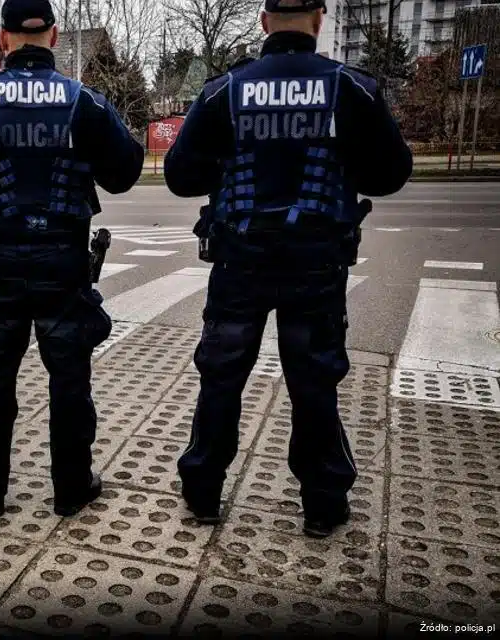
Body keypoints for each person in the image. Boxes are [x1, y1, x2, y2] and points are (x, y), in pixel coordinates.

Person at [164, 0, 412, 538]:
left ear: (264, 20)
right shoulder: (353, 88)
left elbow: (180, 177)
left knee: (222, 376)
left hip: (239, 260)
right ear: (319, 18)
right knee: (314, 380)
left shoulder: (224, 91)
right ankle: (323, 504)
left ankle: (203, 490)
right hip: (316, 263)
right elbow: (392, 173)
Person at [0, 0, 144, 518]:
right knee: (70, 380)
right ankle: (72, 487)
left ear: (3, 39)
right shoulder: (85, 102)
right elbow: (125, 173)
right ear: (54, 37)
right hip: (64, 261)